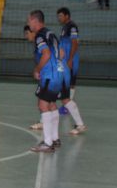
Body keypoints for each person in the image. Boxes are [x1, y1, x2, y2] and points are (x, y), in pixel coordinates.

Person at [26, 10, 64, 152]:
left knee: (42, 106)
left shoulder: (40, 35)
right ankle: (55, 139)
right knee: (51, 104)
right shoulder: (51, 33)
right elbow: (61, 53)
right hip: (58, 73)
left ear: (35, 20)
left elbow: (46, 54)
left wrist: (37, 69)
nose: (28, 23)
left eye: (29, 20)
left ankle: (48, 144)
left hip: (49, 75)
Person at [56, 8, 87, 135]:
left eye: (61, 16)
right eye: (58, 16)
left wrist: (70, 59)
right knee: (67, 84)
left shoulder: (72, 26)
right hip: (65, 60)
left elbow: (74, 43)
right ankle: (66, 105)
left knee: (70, 83)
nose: (59, 18)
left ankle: (67, 106)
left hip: (70, 60)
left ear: (67, 16)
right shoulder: (65, 27)